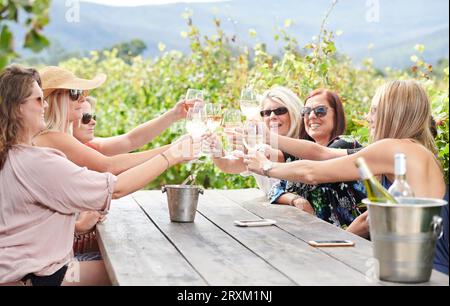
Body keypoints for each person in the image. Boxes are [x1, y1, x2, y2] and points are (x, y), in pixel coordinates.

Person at [0, 64, 200, 285]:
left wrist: (76, 228)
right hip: (45, 276)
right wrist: (173, 154)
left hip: (30, 270)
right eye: (39, 99)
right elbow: (116, 185)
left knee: (122, 266)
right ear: (18, 108)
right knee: (132, 271)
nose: (44, 105)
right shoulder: (39, 159)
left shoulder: (11, 153)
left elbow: (128, 142)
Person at [243, 80, 448, 274]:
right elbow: (322, 154)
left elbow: (313, 172)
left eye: (374, 110)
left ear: (393, 113)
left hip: (425, 272)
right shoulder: (412, 150)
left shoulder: (393, 149)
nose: (368, 117)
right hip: (419, 267)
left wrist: (266, 167)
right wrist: (268, 137)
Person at [33, 66, 190, 175]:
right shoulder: (54, 138)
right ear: (55, 101)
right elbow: (109, 166)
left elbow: (131, 141)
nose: (82, 98)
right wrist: (174, 150)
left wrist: (174, 115)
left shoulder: (64, 140)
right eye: (74, 93)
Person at [268, 89, 365, 228]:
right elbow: (275, 190)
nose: (312, 116)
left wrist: (268, 139)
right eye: (306, 111)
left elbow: (312, 167)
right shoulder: (302, 156)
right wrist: (296, 199)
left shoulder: (346, 144)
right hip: (318, 238)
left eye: (320, 110)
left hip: (354, 240)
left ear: (336, 115)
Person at [210, 86, 303, 195]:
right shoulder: (258, 146)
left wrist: (254, 148)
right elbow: (229, 166)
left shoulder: (305, 144)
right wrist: (216, 151)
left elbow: (280, 157)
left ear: (294, 112)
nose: (272, 116)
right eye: (267, 113)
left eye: (280, 111)